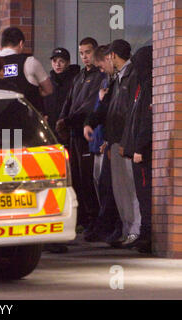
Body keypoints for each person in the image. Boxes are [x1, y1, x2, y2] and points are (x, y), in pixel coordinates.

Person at [83, 39, 141, 247]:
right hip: (116, 142)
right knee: (120, 190)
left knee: (130, 189)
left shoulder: (132, 76)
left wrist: (127, 141)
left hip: (125, 143)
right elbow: (109, 109)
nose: (105, 63)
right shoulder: (118, 78)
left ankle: (135, 231)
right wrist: (93, 124)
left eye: (108, 58)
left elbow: (131, 114)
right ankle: (128, 231)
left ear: (113, 56)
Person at [56, 37, 103, 235]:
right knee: (75, 178)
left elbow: (89, 105)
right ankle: (83, 219)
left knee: (87, 179)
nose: (85, 57)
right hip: (74, 134)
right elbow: (69, 101)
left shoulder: (99, 76)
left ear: (96, 52)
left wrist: (68, 120)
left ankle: (94, 221)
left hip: (88, 134)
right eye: (82, 53)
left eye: (88, 52)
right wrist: (62, 120)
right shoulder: (80, 76)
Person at [84, 45, 121, 244]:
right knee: (105, 187)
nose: (100, 70)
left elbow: (116, 114)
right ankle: (108, 226)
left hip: (115, 143)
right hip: (107, 142)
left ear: (109, 58)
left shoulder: (119, 81)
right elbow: (104, 110)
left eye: (101, 65)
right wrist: (89, 123)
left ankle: (113, 227)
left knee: (112, 189)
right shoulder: (110, 81)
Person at [120, 46, 153, 253]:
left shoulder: (149, 86)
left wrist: (139, 147)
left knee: (145, 194)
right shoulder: (141, 85)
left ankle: (147, 236)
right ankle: (145, 234)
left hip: (143, 153)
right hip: (136, 150)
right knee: (141, 196)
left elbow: (146, 121)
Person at [0, 27, 53, 114]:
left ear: (2, 44)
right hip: (26, 120)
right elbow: (49, 90)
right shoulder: (30, 62)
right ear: (21, 43)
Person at [43, 47, 80, 139]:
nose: (57, 64)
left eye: (61, 61)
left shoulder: (76, 81)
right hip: (51, 130)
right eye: (54, 61)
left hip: (70, 129)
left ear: (68, 62)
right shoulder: (48, 82)